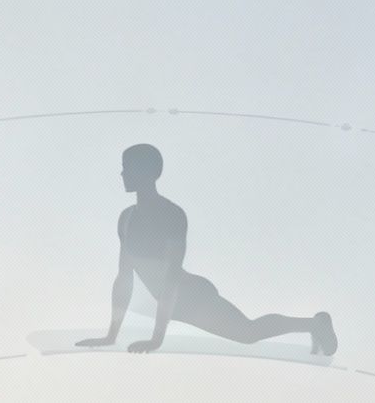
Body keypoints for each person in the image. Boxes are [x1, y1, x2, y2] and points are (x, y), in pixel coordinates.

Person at [75, 144, 338, 356]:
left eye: (126, 168)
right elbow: (124, 278)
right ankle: (314, 324)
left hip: (192, 297)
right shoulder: (126, 219)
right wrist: (111, 335)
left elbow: (171, 277)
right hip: (169, 305)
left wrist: (157, 339)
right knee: (246, 331)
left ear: (146, 172)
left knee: (247, 333)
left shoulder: (172, 215)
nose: (122, 174)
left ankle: (316, 324)